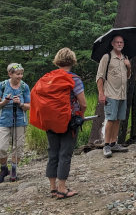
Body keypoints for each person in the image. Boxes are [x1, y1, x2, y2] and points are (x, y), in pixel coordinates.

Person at [46, 48, 87, 199]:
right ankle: (62, 189)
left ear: (57, 60)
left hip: (50, 120)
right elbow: (83, 103)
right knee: (65, 154)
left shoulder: (49, 77)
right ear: (73, 61)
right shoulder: (74, 79)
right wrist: (80, 115)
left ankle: (52, 188)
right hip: (68, 121)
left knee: (53, 153)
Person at [0, 63, 30, 183]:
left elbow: (29, 106)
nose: (20, 76)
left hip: (19, 120)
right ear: (10, 74)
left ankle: (14, 170)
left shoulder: (24, 87)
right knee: (0, 147)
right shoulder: (2, 85)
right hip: (3, 120)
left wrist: (20, 103)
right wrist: (4, 102)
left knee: (18, 147)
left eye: (21, 74)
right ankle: (3, 169)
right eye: (17, 74)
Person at [96, 35, 131, 158]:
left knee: (118, 119)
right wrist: (101, 93)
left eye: (121, 42)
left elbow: (127, 77)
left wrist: (129, 66)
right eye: (117, 42)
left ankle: (113, 143)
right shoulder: (107, 57)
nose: (119, 44)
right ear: (112, 43)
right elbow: (100, 77)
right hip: (111, 93)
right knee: (110, 119)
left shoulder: (125, 58)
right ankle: (106, 145)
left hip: (122, 94)